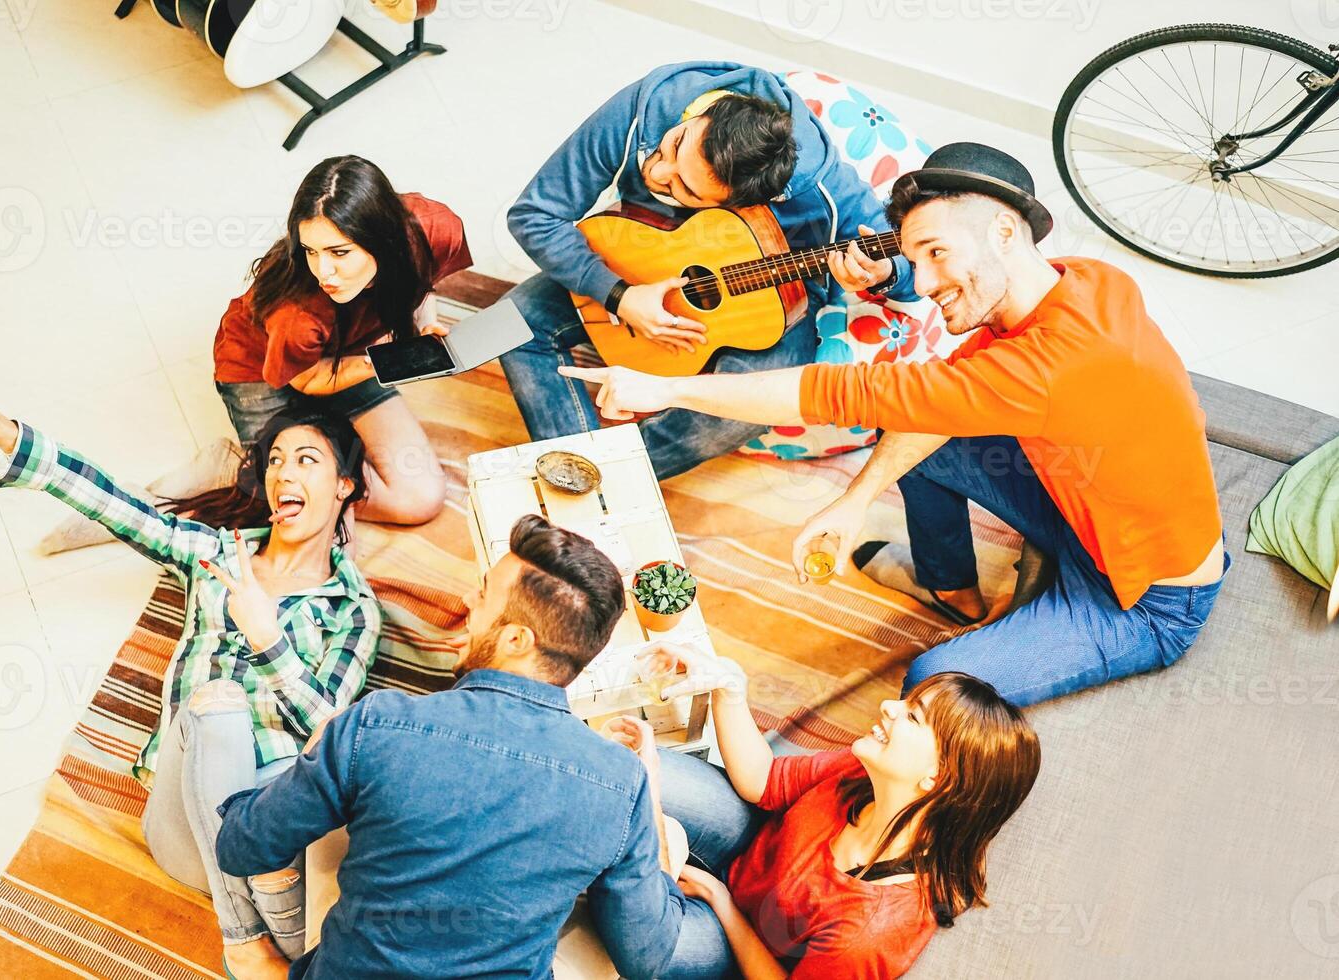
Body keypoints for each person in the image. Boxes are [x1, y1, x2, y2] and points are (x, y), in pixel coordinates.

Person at [555, 142, 1229, 707]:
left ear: (1003, 231)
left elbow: (843, 390)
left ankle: (1031, 595)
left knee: (930, 682)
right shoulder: (1085, 279)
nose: (926, 282)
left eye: (936, 252)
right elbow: (933, 409)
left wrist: (665, 386)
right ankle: (951, 588)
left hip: (1146, 599)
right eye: (914, 259)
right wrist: (853, 500)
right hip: (1086, 515)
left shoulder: (1053, 364)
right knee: (925, 442)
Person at [0, 365, 382, 979]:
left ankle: (283, 953)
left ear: (345, 485)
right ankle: (243, 935)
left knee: (307, 795)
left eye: (306, 460)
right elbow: (124, 508)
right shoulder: (217, 554)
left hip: (277, 826)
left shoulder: (353, 610)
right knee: (216, 705)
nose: (283, 474)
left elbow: (328, 729)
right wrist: (4, 431)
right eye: (274, 460)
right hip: (187, 830)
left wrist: (268, 640)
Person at [213, 515, 685, 979]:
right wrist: (650, 792)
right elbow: (646, 959)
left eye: (482, 594)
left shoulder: (377, 724)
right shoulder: (620, 784)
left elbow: (241, 847)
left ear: (516, 639)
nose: (466, 600)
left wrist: (315, 753)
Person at [500, 61, 919, 480]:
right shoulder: (650, 106)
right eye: (676, 144)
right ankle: (572, 472)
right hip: (642, 255)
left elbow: (912, 269)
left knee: (745, 410)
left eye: (683, 188)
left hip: (774, 303)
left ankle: (612, 479)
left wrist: (882, 273)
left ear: (744, 201)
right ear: (702, 112)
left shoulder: (824, 189)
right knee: (511, 323)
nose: (657, 171)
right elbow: (535, 214)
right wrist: (619, 295)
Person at [643, 644, 1040, 979]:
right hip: (750, 852)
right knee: (635, 770)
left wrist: (721, 901)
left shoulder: (871, 931)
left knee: (643, 934)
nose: (888, 706)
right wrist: (728, 687)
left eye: (913, 716)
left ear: (939, 777)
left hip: (743, 946)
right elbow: (764, 779)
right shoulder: (864, 769)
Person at [214, 154, 473, 525]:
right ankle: (239, 471)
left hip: (350, 352)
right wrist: (382, 360)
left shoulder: (435, 229)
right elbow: (307, 379)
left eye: (339, 252)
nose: (323, 272)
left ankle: (303, 462)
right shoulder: (298, 315)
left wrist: (424, 323)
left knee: (422, 500)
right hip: (261, 370)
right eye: (310, 250)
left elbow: (424, 280)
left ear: (384, 240)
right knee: (300, 502)